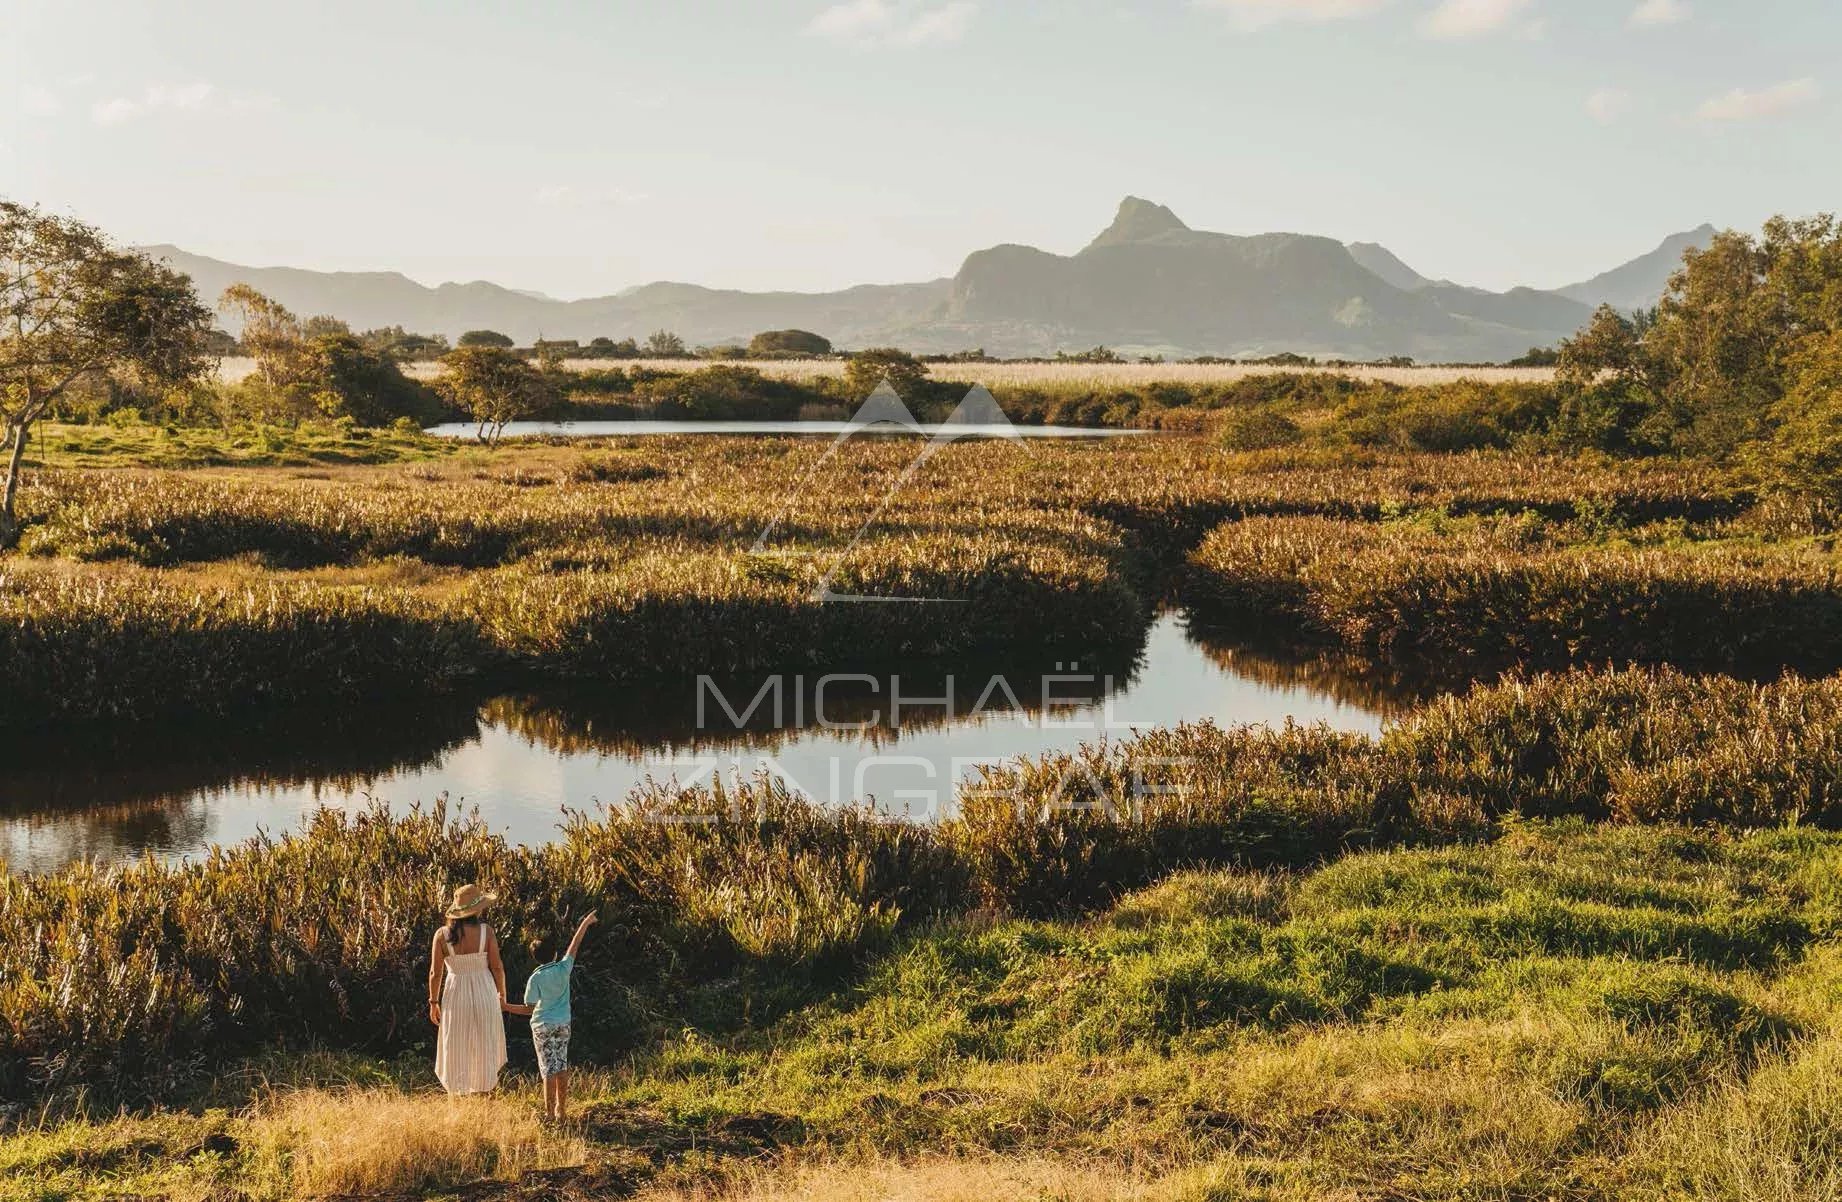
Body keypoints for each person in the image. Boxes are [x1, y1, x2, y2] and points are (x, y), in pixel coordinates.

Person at [508, 911, 598, 1121]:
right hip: (563, 1024)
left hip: (542, 1027)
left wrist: (505, 1007)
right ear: (555, 954)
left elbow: (528, 1009)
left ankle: (549, 1113)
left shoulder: (535, 978)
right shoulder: (563, 968)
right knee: (561, 1066)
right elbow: (575, 944)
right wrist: (585, 922)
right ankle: (562, 1110)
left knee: (547, 1070)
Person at [428, 883, 516, 1095]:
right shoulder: (487, 932)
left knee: (456, 1042)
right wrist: (502, 994)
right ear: (477, 909)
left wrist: (433, 1002)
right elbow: (497, 967)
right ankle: (486, 1093)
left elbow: (435, 973)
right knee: (484, 1039)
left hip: (455, 992)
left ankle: (456, 1096)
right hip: (484, 990)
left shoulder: (441, 935)